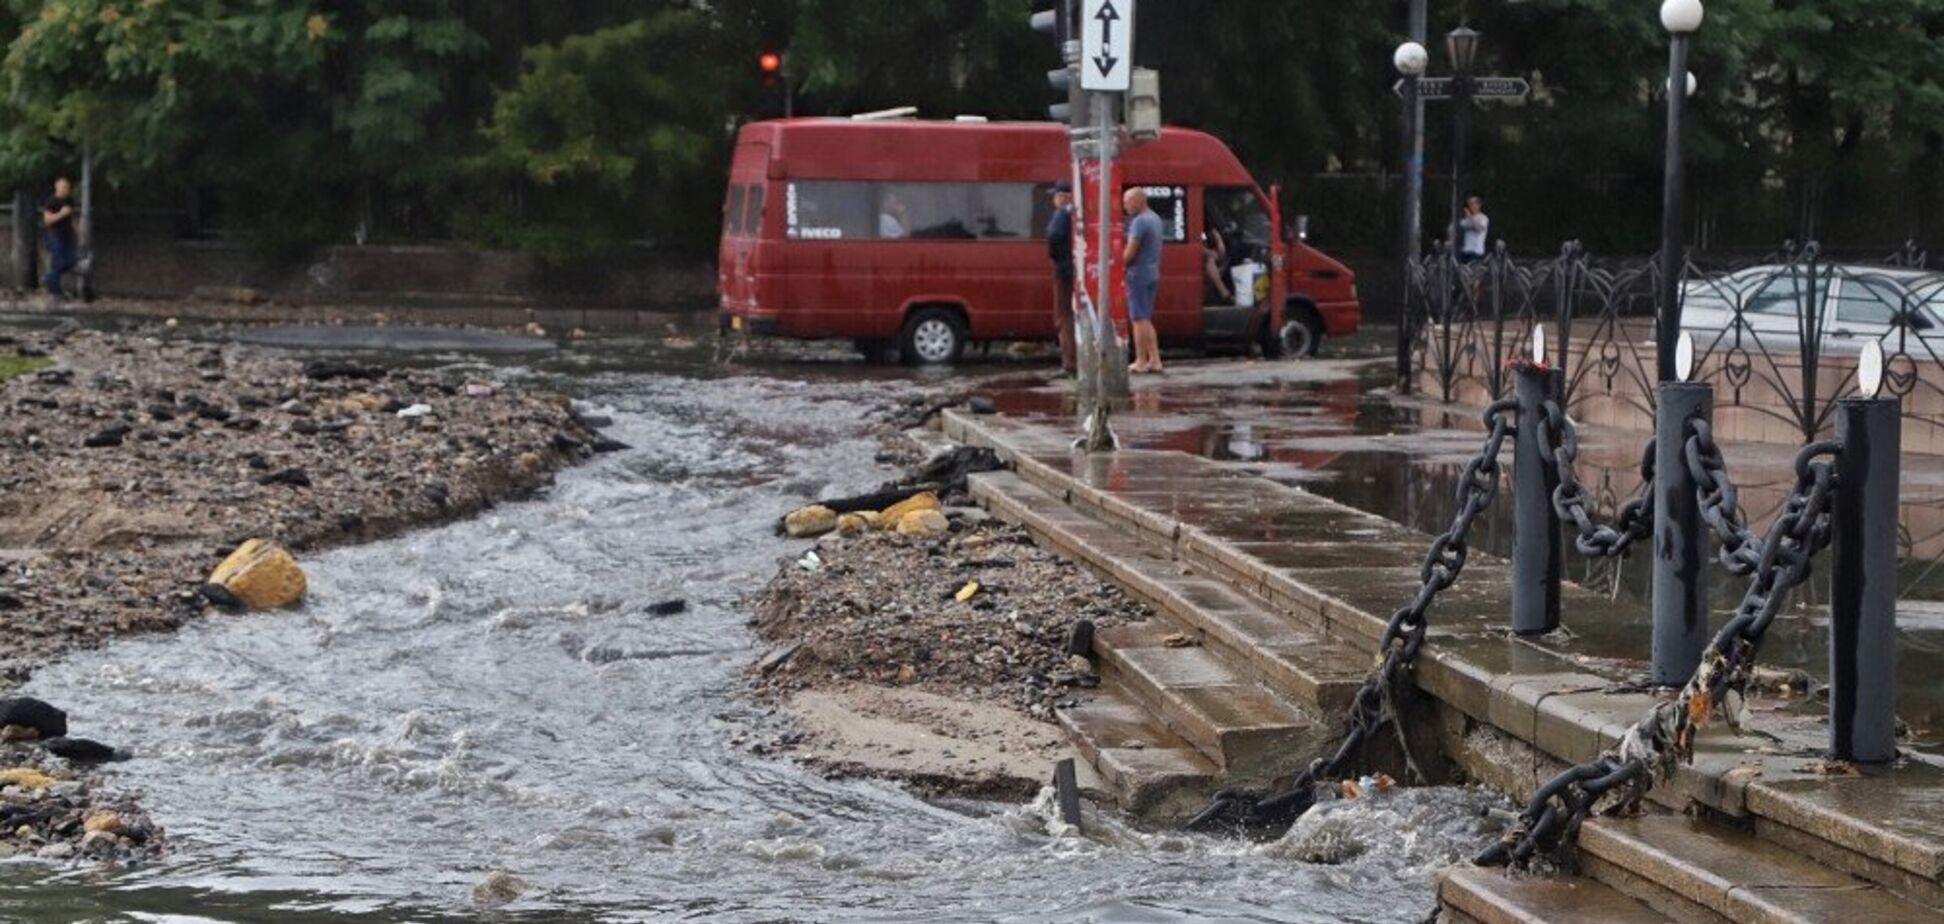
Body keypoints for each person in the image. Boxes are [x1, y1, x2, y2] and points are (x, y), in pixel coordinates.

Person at [1122, 187, 1165, 374]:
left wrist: (1117, 264)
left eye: (1127, 201)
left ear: (1139, 201)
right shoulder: (1155, 218)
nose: (1125, 206)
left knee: (1138, 318)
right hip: (1152, 272)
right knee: (1146, 317)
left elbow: (1130, 253)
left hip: (1138, 274)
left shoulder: (1139, 222)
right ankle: (1155, 360)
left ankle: (1140, 360)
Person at [1045, 181, 1076, 374]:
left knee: (1064, 317)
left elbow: (1054, 237)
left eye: (1055, 195)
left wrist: (1056, 258)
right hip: (1075, 269)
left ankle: (1069, 363)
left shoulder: (1061, 214)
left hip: (1064, 271)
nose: (1053, 199)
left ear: (1063, 196)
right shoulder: (1076, 213)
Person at [41, 177, 78, 299]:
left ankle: (48, 279)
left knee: (71, 260)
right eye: (62, 187)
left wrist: (76, 232)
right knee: (57, 261)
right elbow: (47, 221)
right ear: (56, 187)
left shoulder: (69, 201)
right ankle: (55, 291)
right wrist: (61, 214)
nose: (64, 190)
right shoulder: (51, 201)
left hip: (67, 235)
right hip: (54, 234)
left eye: (67, 188)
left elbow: (71, 219)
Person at [1201, 215, 1232, 303]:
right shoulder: (1193, 226)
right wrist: (1209, 252)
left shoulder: (1207, 231)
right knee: (1210, 262)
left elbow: (1221, 252)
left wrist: (1217, 236)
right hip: (1195, 261)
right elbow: (1196, 247)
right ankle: (1224, 294)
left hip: (1210, 262)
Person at [1458, 196, 1489, 264]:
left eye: (1473, 203)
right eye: (1469, 204)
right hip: (1466, 251)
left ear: (1479, 205)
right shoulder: (1466, 220)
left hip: (1476, 251)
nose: (1471, 206)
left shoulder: (1483, 218)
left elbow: (1479, 229)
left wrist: (1470, 217)